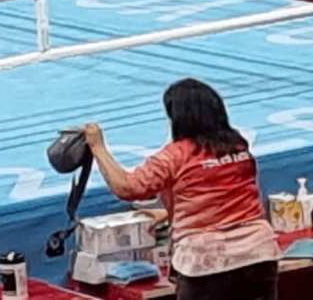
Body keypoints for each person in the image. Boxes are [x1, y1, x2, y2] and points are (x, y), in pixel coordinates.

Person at [82, 78, 279, 300]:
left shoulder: (175, 157)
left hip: (206, 263)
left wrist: (98, 147)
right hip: (259, 255)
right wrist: (170, 214)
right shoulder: (238, 146)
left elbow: (127, 188)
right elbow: (219, 196)